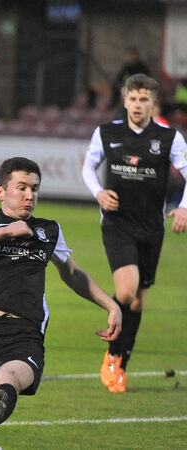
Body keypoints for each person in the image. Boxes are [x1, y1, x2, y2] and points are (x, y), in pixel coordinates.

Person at [0, 157, 121, 450]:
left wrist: (112, 305)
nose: (30, 195)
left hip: (23, 332)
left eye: (35, 189)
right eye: (22, 188)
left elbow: (73, 273)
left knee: (8, 379)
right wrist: (7, 231)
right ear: (1, 192)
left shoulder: (47, 230)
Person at [81, 73, 187, 393]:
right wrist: (99, 192)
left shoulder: (170, 138)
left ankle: (120, 364)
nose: (138, 105)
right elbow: (88, 167)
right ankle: (112, 355)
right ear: (124, 100)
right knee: (126, 293)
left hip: (151, 227)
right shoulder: (106, 133)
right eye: (133, 98)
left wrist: (183, 208)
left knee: (138, 303)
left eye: (144, 99)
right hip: (117, 222)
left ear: (153, 103)